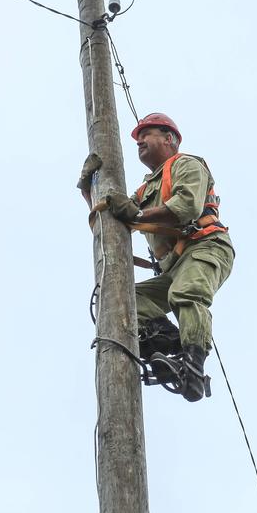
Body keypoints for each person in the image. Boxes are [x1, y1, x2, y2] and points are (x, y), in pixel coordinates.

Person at [80, 113, 235, 402]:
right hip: (172, 266)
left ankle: (193, 366)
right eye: (138, 137)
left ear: (169, 138)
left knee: (185, 293)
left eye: (146, 134)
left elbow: (187, 206)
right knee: (122, 301)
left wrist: (138, 214)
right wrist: (90, 189)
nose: (139, 141)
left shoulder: (187, 165)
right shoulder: (146, 189)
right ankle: (171, 344)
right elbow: (111, 218)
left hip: (204, 246)